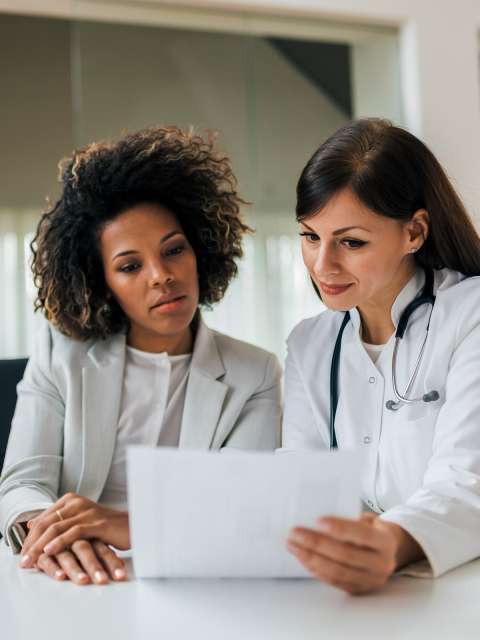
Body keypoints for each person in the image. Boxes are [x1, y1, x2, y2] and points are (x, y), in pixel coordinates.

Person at [0, 126, 282, 585]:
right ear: (101, 282)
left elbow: (241, 509)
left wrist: (127, 527)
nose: (162, 276)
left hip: (192, 578)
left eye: (174, 250)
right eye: (130, 266)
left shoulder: (256, 373)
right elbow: (21, 483)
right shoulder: (60, 353)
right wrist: (52, 534)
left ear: (201, 252)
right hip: (73, 580)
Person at [283, 118, 480, 594]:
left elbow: (467, 479)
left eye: (351, 242)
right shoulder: (309, 343)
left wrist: (389, 542)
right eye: (311, 236)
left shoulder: (470, 313)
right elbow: (298, 479)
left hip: (457, 583)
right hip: (347, 585)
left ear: (413, 232)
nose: (322, 265)